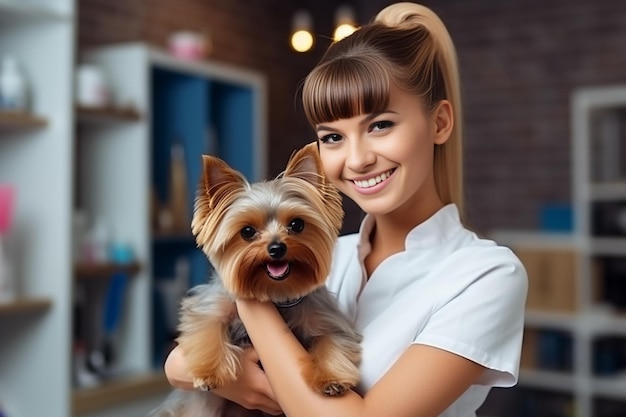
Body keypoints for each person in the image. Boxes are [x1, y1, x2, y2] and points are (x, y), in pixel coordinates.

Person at [164, 2, 528, 416]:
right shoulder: (328, 255)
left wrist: (248, 293)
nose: (356, 160)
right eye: (332, 137)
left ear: (440, 123)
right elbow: (178, 365)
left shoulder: (486, 275)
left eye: (380, 125)